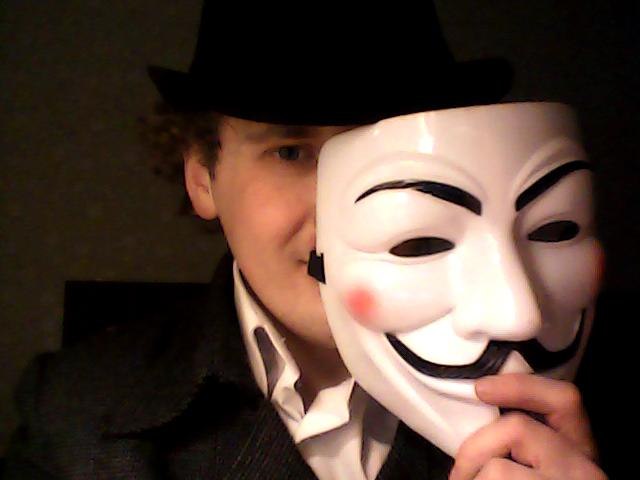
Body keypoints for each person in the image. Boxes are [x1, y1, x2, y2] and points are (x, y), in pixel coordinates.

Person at [4, 1, 609, 479]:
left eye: (380, 145)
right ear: (202, 176)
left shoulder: (589, 396)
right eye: (291, 152)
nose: (342, 213)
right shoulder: (73, 418)